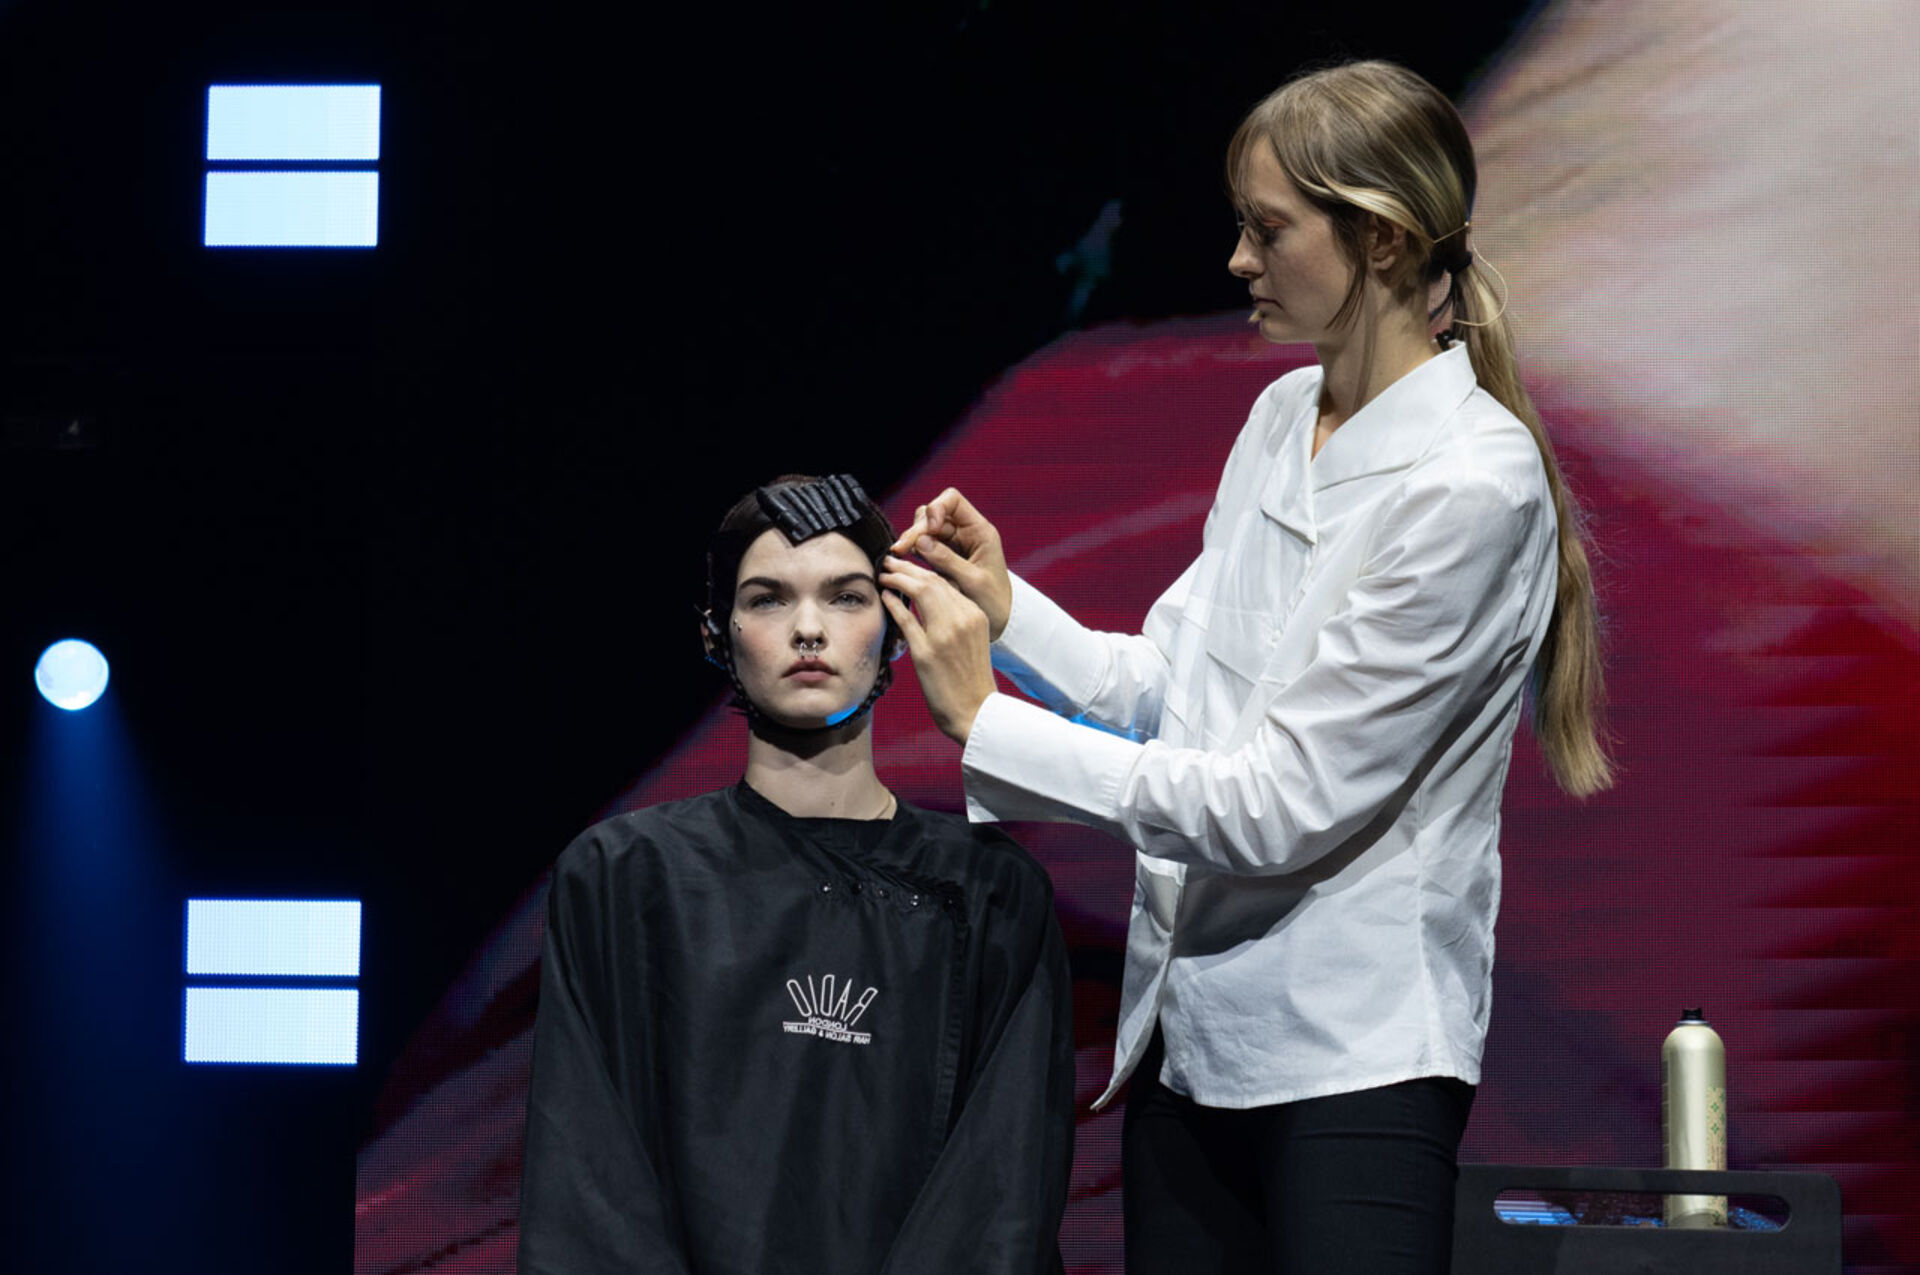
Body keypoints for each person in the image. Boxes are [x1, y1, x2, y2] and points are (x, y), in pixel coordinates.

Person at [878, 61, 1613, 1274]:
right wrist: (1005, 611)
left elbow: (1280, 805)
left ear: (1379, 239)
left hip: (1353, 1067)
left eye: (1268, 230)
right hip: (1195, 1045)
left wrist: (987, 727)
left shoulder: (1471, 486)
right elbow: (1176, 693)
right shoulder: (1280, 418)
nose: (1236, 259)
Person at [518, 474, 1075, 1275]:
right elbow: (588, 1188)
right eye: (769, 598)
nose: (808, 628)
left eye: (846, 597)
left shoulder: (989, 892)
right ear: (716, 633)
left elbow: (1000, 1195)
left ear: (896, 628)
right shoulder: (624, 879)